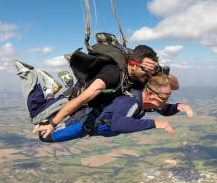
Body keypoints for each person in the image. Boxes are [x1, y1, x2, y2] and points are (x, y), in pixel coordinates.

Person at [30, 44, 179, 139]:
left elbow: (174, 86)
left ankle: (58, 88)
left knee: (45, 133)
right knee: (37, 119)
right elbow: (83, 98)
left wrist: (159, 72)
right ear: (132, 65)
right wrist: (53, 123)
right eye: (146, 70)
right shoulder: (112, 74)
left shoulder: (142, 76)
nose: (149, 75)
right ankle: (34, 79)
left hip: (91, 107)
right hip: (78, 98)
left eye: (152, 72)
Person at [18, 71, 193, 142]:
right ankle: (32, 78)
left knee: (46, 124)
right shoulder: (131, 103)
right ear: (153, 95)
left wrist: (178, 106)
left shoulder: (148, 101)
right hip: (81, 124)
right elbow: (118, 124)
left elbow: (163, 108)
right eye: (165, 96)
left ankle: (67, 88)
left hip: (90, 121)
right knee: (44, 135)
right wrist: (155, 124)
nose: (167, 100)